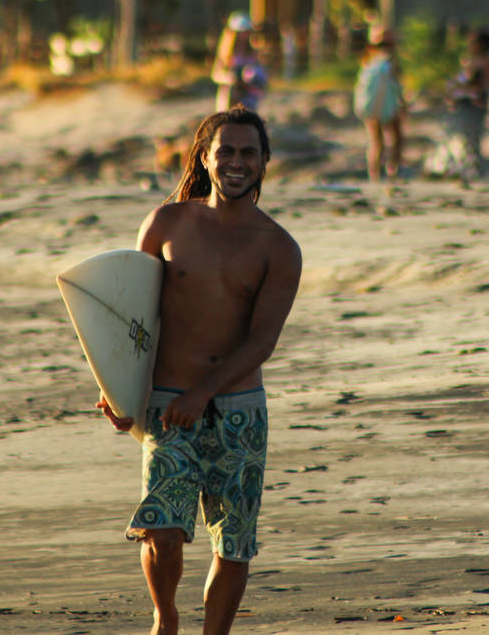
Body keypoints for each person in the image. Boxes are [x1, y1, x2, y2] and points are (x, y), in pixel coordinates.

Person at [97, 106, 302, 635]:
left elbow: (263, 341)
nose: (237, 162)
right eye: (226, 151)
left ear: (263, 164)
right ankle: (165, 620)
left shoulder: (277, 247)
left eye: (248, 153)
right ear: (205, 158)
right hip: (168, 402)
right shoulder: (167, 223)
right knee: (160, 529)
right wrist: (118, 391)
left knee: (232, 544)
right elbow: (130, 317)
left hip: (238, 412)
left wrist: (205, 393)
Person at [428, 26, 489, 183]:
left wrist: (459, 87)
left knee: (470, 140)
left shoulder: (484, 63)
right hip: (463, 106)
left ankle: (474, 173)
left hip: (473, 107)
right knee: (459, 139)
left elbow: (479, 86)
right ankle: (462, 171)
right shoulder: (472, 61)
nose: (470, 44)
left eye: (473, 41)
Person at [353, 25, 405, 182]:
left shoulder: (367, 61)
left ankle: (375, 175)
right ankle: (391, 171)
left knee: (376, 142)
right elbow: (396, 84)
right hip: (389, 105)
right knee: (394, 139)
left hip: (372, 106)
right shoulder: (389, 62)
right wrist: (403, 103)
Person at [211, 12, 267, 113]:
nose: (244, 35)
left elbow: (261, 75)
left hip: (248, 99)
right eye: (242, 32)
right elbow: (216, 74)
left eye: (246, 31)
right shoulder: (226, 53)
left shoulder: (252, 52)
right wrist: (230, 78)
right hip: (230, 98)